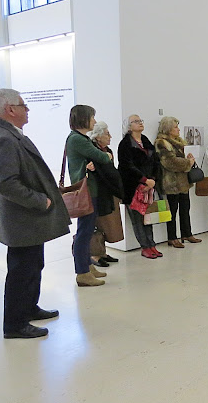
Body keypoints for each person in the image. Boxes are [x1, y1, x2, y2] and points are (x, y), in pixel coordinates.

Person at [0, 88, 70, 339]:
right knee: (21, 272)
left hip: (27, 220)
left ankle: (29, 308)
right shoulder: (4, 138)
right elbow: (6, 183)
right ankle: (14, 324)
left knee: (33, 265)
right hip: (22, 218)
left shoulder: (8, 134)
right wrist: (40, 201)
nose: (27, 109)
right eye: (23, 105)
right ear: (10, 109)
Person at [66, 105, 113, 286]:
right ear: (83, 119)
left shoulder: (80, 138)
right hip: (86, 191)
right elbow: (102, 156)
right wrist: (104, 156)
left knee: (87, 230)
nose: (94, 121)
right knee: (84, 232)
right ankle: (82, 272)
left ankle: (87, 266)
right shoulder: (77, 139)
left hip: (90, 190)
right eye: (92, 117)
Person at [118, 114, 163, 259]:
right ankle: (145, 247)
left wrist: (153, 180)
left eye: (140, 120)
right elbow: (126, 166)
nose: (140, 123)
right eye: (135, 121)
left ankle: (152, 244)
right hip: (133, 188)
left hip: (149, 187)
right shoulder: (125, 144)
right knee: (137, 219)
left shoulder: (146, 141)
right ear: (129, 126)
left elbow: (156, 162)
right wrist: (144, 180)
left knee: (148, 218)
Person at [154, 116, 201, 249]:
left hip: (183, 181)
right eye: (175, 127)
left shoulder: (180, 142)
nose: (178, 129)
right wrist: (187, 162)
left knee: (185, 209)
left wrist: (190, 158)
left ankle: (187, 234)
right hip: (172, 182)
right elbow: (169, 162)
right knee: (172, 212)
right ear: (168, 128)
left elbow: (182, 159)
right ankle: (172, 237)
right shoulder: (161, 143)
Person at [88, 121, 123, 266]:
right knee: (97, 223)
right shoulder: (92, 150)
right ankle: (95, 254)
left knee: (106, 224)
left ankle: (102, 252)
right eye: (107, 134)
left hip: (108, 191)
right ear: (98, 136)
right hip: (97, 192)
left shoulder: (107, 150)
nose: (110, 137)